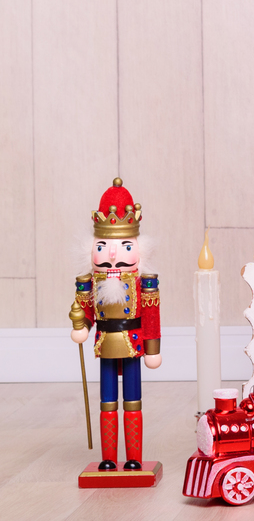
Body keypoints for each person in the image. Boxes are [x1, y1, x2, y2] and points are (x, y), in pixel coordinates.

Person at [70, 178, 162, 472]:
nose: (112, 255)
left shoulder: (144, 284)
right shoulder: (89, 282)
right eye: (103, 246)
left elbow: (151, 318)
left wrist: (152, 349)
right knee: (107, 402)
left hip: (133, 344)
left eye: (123, 247)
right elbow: (84, 311)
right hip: (105, 344)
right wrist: (81, 326)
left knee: (132, 400)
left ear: (137, 248)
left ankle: (134, 456)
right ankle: (109, 457)